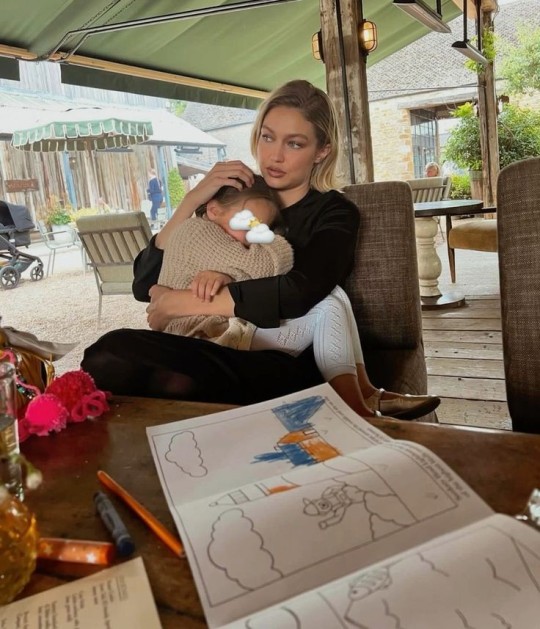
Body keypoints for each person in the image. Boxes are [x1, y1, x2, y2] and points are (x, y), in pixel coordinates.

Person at [82, 79, 439, 420]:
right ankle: (193, 393)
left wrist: (180, 303)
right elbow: (144, 286)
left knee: (167, 373)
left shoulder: (334, 212)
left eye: (294, 144)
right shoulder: (235, 192)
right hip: (216, 347)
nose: (275, 156)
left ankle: (340, 404)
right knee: (108, 353)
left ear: (322, 151)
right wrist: (192, 200)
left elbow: (301, 291)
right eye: (268, 137)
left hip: (286, 358)